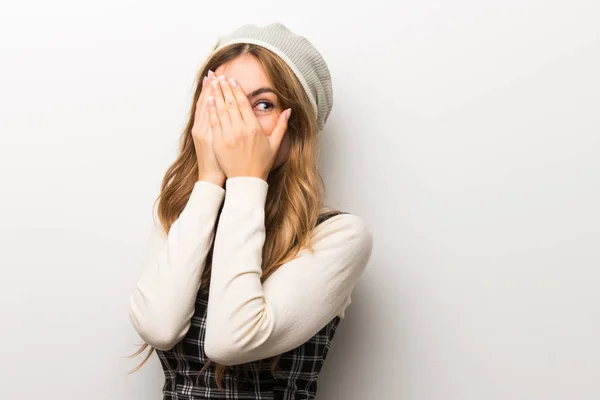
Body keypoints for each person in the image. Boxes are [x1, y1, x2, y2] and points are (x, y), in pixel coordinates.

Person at [127, 22, 373, 399]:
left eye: (262, 104)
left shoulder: (339, 235)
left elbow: (232, 342)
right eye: (223, 101)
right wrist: (208, 181)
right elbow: (158, 326)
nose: (237, 125)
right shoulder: (180, 212)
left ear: (298, 126)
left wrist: (246, 179)